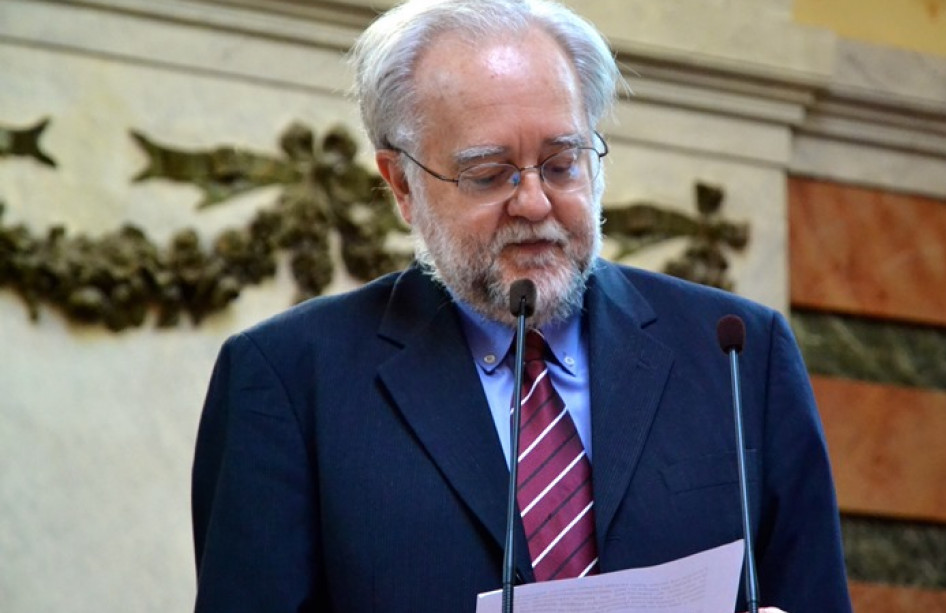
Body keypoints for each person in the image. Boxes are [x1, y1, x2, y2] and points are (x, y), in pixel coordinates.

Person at [190, 0, 852, 611]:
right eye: (489, 174)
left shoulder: (738, 353)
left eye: (562, 164)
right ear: (401, 184)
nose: (534, 203)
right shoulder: (287, 379)